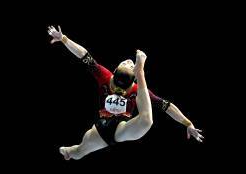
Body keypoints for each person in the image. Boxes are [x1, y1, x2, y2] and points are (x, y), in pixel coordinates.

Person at [47, 25, 204, 160]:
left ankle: (69, 151)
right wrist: (64, 39)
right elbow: (83, 55)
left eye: (131, 64)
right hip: (103, 126)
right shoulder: (126, 84)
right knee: (78, 152)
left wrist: (64, 39)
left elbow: (84, 56)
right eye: (128, 64)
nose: (129, 61)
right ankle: (68, 152)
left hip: (122, 127)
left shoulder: (112, 79)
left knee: (146, 121)